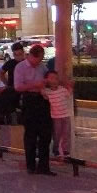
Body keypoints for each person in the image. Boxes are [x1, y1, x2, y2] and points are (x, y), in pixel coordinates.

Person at [13, 45, 54, 175]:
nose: (38, 62)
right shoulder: (20, 67)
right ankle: (30, 165)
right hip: (29, 100)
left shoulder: (42, 67)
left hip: (42, 100)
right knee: (31, 134)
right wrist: (34, 84)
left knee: (45, 134)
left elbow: (48, 80)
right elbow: (18, 87)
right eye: (37, 59)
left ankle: (44, 166)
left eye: (41, 59)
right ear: (31, 56)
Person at [44, 71, 74, 159]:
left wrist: (70, 85)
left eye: (56, 78)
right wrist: (42, 84)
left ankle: (66, 150)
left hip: (65, 115)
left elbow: (68, 94)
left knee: (66, 133)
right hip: (56, 117)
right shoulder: (47, 92)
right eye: (51, 78)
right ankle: (56, 149)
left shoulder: (62, 89)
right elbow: (42, 93)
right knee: (57, 134)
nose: (54, 81)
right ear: (47, 80)